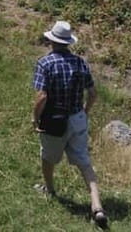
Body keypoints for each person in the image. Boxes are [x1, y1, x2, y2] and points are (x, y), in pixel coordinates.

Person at [31, 21, 108, 229]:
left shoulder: (45, 64)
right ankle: (97, 205)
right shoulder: (81, 62)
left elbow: (42, 97)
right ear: (68, 42)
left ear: (51, 41)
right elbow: (92, 93)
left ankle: (50, 189)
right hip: (77, 118)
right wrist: (84, 112)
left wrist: (35, 118)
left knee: (48, 156)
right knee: (84, 162)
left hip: (54, 120)